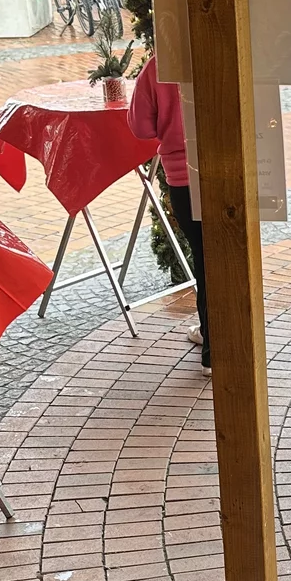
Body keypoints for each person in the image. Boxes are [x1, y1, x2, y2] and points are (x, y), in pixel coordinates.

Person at [128, 54, 209, 369]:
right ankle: (223, 337)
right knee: (225, 256)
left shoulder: (161, 64)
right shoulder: (226, 49)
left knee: (203, 256)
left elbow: (140, 126)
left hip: (183, 177)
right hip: (231, 168)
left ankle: (212, 345)